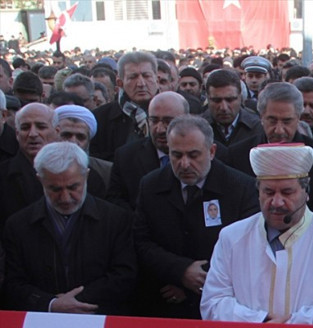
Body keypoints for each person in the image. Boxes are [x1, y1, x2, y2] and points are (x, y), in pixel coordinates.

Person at [201, 144, 313, 325]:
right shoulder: (232, 238)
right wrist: (260, 322)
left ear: (306, 192)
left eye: (287, 192)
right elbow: (213, 303)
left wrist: (291, 325)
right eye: (268, 192)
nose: (276, 202)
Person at [133, 115, 258, 319]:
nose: (184, 164)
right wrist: (180, 272)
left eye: (193, 155)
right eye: (176, 155)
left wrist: (199, 283)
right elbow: (142, 242)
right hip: (164, 303)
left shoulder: (241, 188)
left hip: (223, 304)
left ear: (211, 152)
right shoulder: (151, 186)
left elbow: (246, 248)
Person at [1, 142, 136, 314]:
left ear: (86, 176)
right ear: (40, 180)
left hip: (99, 320)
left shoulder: (115, 220)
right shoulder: (18, 226)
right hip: (41, 323)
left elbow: (124, 275)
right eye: (55, 189)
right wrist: (50, 304)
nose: (65, 198)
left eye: (73, 187)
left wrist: (74, 302)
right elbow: (14, 284)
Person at [227, 82, 313, 218]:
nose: (279, 130)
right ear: (261, 117)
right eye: (272, 121)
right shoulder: (237, 155)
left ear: (298, 118)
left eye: (286, 121)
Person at [107, 91, 189, 210]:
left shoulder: (207, 153)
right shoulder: (126, 157)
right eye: (154, 121)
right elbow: (116, 203)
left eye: (168, 121)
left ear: (187, 119)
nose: (160, 129)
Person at [90, 51, 159, 161]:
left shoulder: (175, 112)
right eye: (133, 77)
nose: (141, 84)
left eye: (146, 76)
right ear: (120, 82)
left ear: (157, 79)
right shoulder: (99, 119)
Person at [0, 103, 59, 229]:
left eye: (41, 127)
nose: (32, 134)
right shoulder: (3, 175)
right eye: (25, 128)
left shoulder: (76, 174)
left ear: (57, 131)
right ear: (17, 133)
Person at [201, 69, 261, 147]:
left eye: (230, 100)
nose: (224, 107)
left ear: (240, 97)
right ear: (208, 98)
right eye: (216, 100)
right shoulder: (196, 129)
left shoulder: (258, 128)